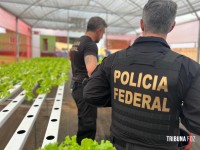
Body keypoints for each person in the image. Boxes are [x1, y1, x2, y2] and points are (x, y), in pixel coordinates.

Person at [83, 0, 200, 150]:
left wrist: (123, 97)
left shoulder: (113, 60)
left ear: (142, 24)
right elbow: (197, 123)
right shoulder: (189, 68)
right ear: (171, 27)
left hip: (119, 145)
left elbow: (90, 94)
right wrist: (173, 106)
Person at [70, 16, 107, 145]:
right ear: (99, 30)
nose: (102, 37)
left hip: (75, 85)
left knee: (83, 119)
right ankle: (84, 146)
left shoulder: (77, 42)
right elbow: (92, 69)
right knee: (88, 125)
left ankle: (81, 145)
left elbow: (72, 57)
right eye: (102, 33)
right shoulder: (90, 45)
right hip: (84, 88)